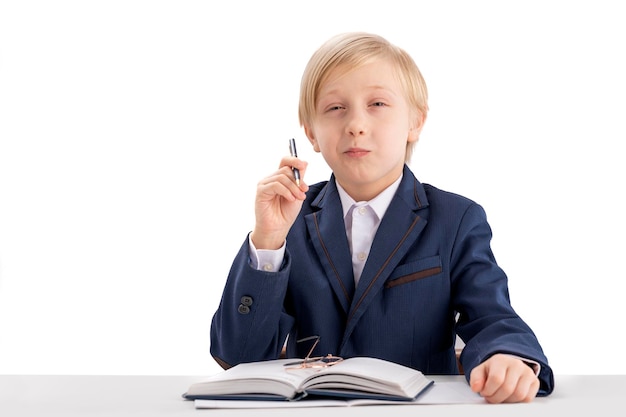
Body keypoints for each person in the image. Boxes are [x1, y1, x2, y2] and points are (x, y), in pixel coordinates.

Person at [210, 32, 554, 403]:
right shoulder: (289, 220)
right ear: (310, 132)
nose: (356, 124)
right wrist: (268, 241)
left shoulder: (456, 219)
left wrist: (506, 357)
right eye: (336, 108)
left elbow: (492, 316)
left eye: (376, 103)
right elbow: (237, 355)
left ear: (415, 122)